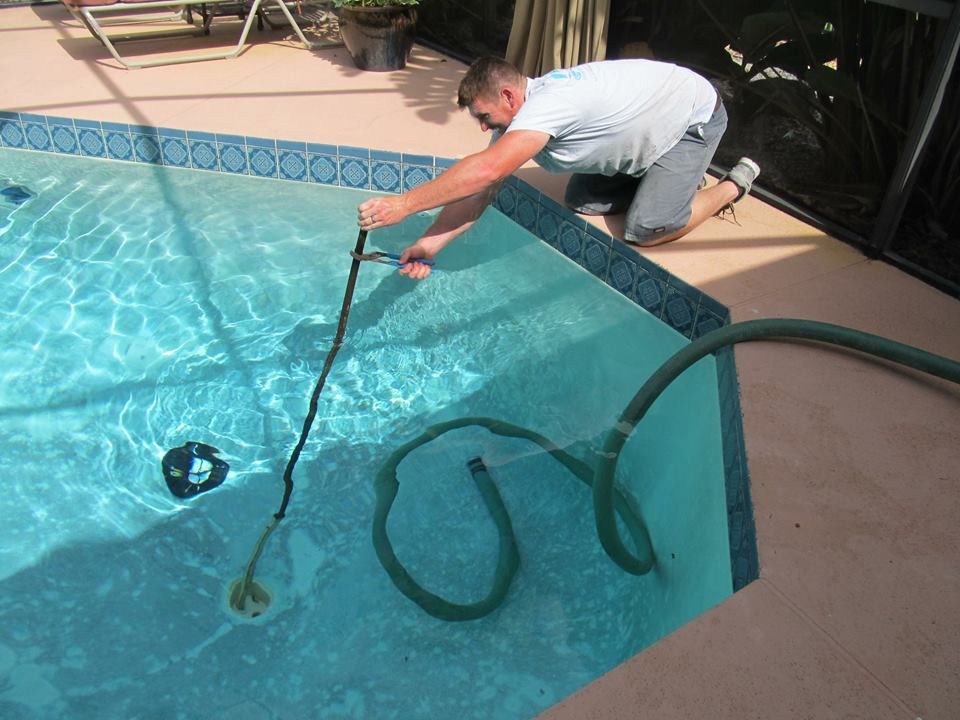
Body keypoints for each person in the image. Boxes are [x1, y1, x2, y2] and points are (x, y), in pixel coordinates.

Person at [357, 56, 760, 280]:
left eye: (484, 115)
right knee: (583, 200)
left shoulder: (552, 103)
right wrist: (429, 245)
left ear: (510, 95)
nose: (483, 127)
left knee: (647, 228)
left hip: (692, 118)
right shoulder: (522, 111)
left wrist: (404, 204)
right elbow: (480, 190)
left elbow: (486, 171)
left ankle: (730, 185)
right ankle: (668, 177)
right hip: (648, 123)